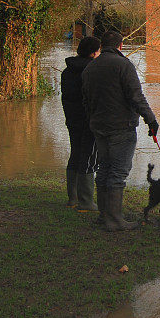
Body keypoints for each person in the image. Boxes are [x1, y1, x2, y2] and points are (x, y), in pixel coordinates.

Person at [81, 31, 158, 231]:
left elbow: (86, 101)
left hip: (98, 126)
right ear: (120, 46)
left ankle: (104, 216)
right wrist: (151, 119)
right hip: (121, 127)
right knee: (118, 172)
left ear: (102, 46)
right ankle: (114, 220)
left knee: (104, 168)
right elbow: (136, 97)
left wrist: (93, 121)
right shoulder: (124, 65)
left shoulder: (91, 67)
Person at [61, 36, 101, 211]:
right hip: (88, 120)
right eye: (99, 51)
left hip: (72, 119)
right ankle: (86, 202)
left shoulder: (67, 71)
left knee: (75, 154)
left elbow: (67, 98)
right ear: (93, 53)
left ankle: (73, 198)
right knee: (89, 157)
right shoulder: (92, 71)